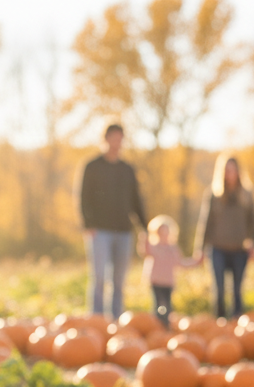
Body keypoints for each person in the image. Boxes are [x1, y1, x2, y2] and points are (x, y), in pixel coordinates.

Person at [79, 123, 148, 320]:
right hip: (99, 231)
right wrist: (88, 224)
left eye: (120, 139)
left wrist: (144, 227)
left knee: (118, 280)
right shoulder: (92, 166)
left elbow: (136, 200)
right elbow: (83, 197)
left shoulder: (127, 170)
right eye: (113, 138)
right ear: (106, 139)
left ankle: (116, 320)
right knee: (99, 277)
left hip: (123, 231)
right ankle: (97, 320)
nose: (117, 143)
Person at [195, 153, 254, 319]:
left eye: (233, 170)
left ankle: (238, 325)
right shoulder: (213, 194)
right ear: (221, 172)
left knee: (237, 289)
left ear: (239, 172)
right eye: (227, 170)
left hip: (239, 249)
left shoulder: (247, 194)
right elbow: (206, 223)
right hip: (217, 249)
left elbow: (253, 223)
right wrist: (200, 249)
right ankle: (220, 322)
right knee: (220, 289)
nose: (230, 174)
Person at [138, 215, 201, 331]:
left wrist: (196, 262)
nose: (164, 235)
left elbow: (181, 263)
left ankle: (166, 327)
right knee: (159, 305)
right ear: (156, 234)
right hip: (156, 281)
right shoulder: (154, 247)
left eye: (166, 233)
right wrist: (144, 239)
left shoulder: (173, 249)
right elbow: (145, 252)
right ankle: (157, 327)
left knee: (167, 306)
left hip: (168, 282)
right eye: (161, 233)